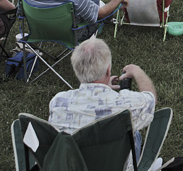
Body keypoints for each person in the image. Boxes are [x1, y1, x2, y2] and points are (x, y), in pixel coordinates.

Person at [48, 37, 156, 171]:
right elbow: (151, 99)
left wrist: (103, 87)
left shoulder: (58, 102)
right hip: (114, 165)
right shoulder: (126, 107)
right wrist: (137, 71)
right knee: (135, 131)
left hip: (71, 166)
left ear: (76, 70)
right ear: (108, 70)